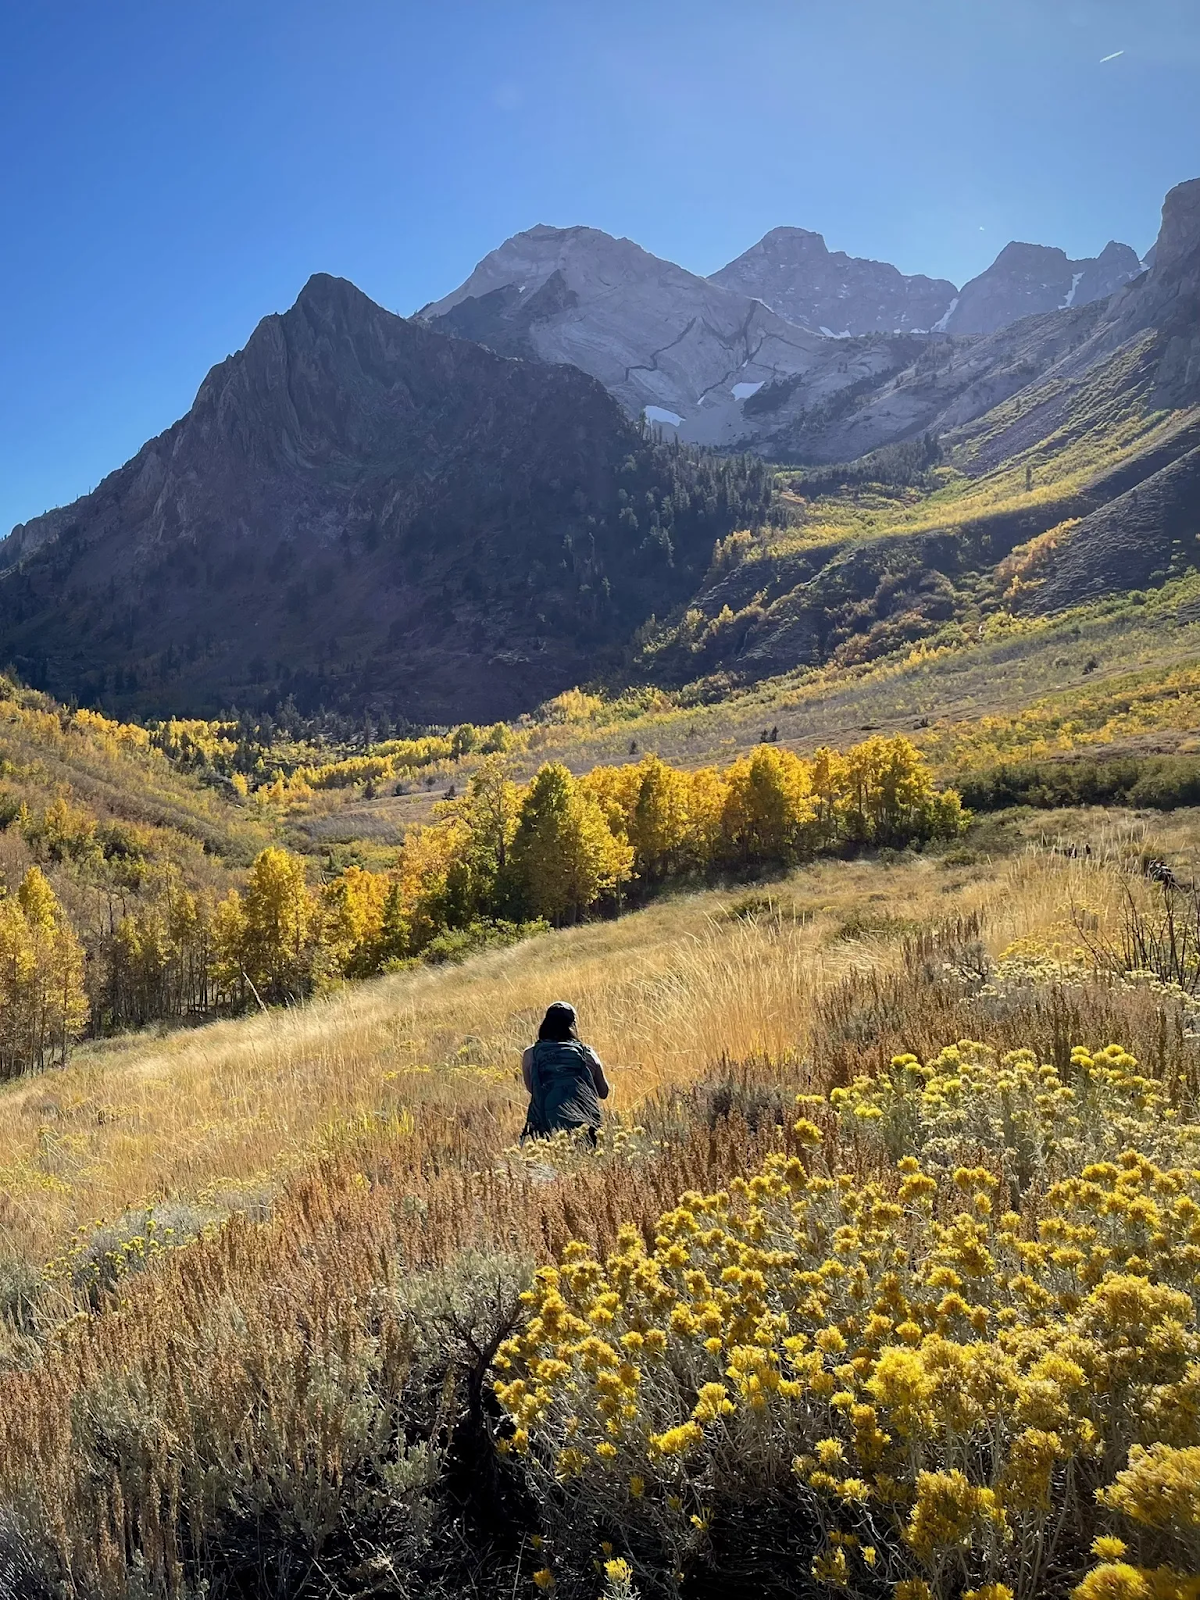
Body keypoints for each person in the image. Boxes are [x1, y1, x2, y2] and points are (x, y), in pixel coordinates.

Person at [521, 1000, 609, 1142]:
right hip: (585, 1126)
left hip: (547, 1127)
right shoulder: (587, 1053)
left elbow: (533, 1089)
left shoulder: (531, 1054)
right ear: (572, 1024)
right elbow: (603, 1092)